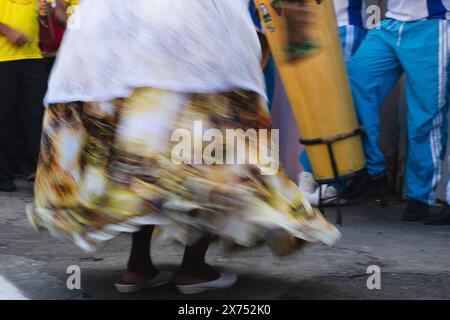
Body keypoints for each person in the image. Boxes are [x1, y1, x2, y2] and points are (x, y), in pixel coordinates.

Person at [27, 0, 340, 294]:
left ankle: (138, 267)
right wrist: (298, 37)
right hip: (194, 38)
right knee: (206, 153)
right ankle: (193, 269)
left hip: (111, 41)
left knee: (143, 151)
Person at [346, 0, 450, 222]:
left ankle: (420, 198)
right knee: (356, 79)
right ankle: (374, 171)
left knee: (425, 118)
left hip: (432, 25)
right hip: (391, 24)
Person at [298, 0, 368, 206]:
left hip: (344, 24)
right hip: (310, 26)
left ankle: (338, 181)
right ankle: (311, 173)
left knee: (337, 107)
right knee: (315, 106)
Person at [0, 0, 47, 191]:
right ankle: (3, 175)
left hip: (33, 57)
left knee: (37, 116)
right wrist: (7, 30)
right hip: (3, 59)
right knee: (4, 118)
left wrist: (43, 16)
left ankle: (40, 173)